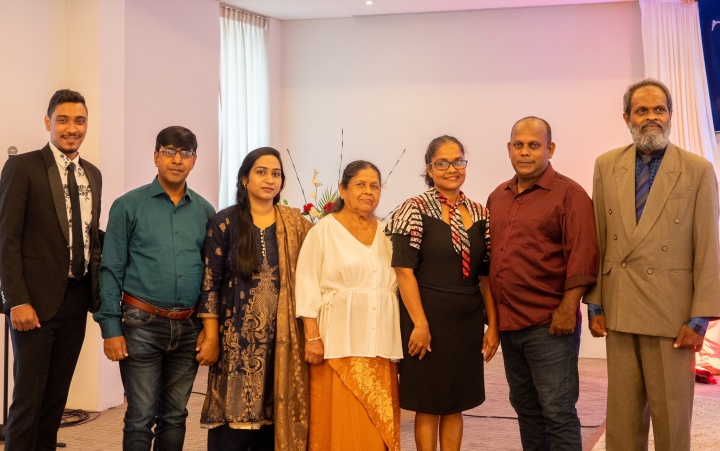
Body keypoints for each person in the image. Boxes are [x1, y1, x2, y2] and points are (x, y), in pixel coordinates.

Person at [585, 79, 720, 451]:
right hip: (620, 305)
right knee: (623, 420)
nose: (651, 118)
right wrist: (595, 302)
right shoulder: (606, 165)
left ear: (670, 115)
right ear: (627, 117)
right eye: (642, 111)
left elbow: (710, 247)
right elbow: (599, 235)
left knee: (672, 419)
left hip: (673, 314)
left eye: (658, 110)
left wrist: (701, 318)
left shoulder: (697, 170)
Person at [93, 126, 215, 450]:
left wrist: (209, 327)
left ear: (194, 160)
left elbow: (211, 277)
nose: (178, 160)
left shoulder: (205, 211)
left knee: (175, 415)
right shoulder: (128, 206)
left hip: (189, 327)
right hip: (140, 324)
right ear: (156, 156)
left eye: (186, 154)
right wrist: (110, 327)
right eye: (170, 152)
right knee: (140, 417)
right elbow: (110, 268)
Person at [486, 116, 598, 450]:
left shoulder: (569, 193)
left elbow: (583, 254)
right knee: (525, 409)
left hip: (549, 325)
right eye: (518, 145)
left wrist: (568, 309)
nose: (525, 152)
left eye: (534, 145)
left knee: (557, 410)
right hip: (509, 323)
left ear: (550, 149)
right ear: (508, 149)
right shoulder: (498, 196)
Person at [0, 89, 102, 450]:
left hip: (76, 302)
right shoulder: (22, 167)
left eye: (79, 120)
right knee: (28, 403)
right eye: (63, 120)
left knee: (55, 402)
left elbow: (89, 238)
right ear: (48, 122)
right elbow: (6, 239)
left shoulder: (93, 174)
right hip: (33, 304)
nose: (71, 128)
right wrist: (16, 300)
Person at [386, 137, 498, 451]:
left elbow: (486, 275)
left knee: (455, 401)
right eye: (442, 163)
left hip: (466, 321)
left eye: (458, 161)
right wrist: (420, 324)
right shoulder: (413, 209)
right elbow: (403, 271)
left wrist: (494, 325)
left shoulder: (480, 213)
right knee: (428, 402)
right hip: (426, 317)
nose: (452, 169)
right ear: (429, 168)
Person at [199, 147, 312, 450]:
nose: (269, 179)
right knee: (233, 430)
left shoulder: (298, 225)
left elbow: (314, 279)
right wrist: (211, 336)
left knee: (273, 424)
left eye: (276, 174)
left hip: (283, 340)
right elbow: (210, 282)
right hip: (236, 340)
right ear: (245, 179)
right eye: (261, 172)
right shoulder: (225, 223)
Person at [296, 160, 402, 451]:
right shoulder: (323, 231)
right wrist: (312, 335)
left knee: (376, 422)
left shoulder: (388, 233)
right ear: (342, 189)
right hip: (337, 343)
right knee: (341, 422)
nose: (368, 192)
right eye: (360, 185)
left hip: (381, 342)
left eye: (375, 186)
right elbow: (306, 283)